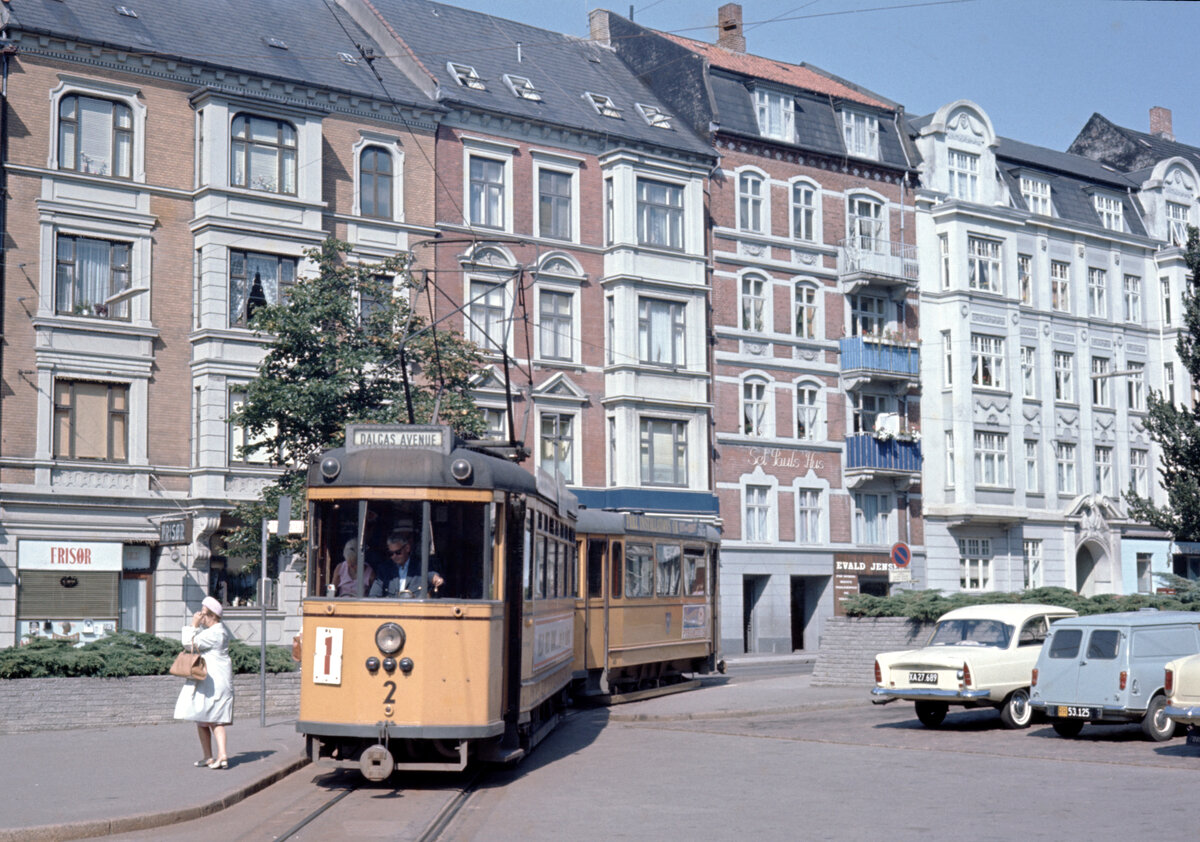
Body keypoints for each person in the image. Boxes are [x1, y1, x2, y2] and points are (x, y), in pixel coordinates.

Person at [173, 596, 234, 769]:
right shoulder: (213, 631)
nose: (200, 617)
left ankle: (222, 755)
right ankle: (208, 756)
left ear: (211, 615)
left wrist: (193, 625)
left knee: (216, 719)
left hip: (216, 683)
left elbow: (188, 644)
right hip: (209, 681)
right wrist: (197, 627)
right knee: (202, 719)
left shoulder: (216, 633)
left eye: (203, 614)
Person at [368, 530, 443, 597]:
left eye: (398, 552)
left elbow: (430, 575)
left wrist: (436, 578)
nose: (394, 556)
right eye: (390, 553)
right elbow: (374, 595)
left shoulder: (420, 566)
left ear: (407, 548)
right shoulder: (384, 569)